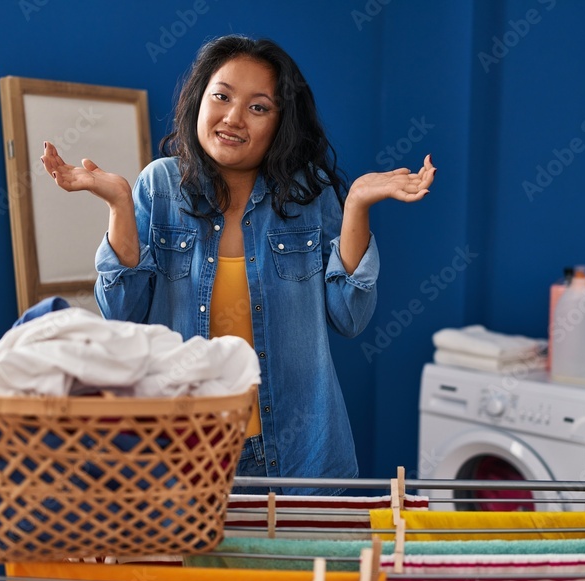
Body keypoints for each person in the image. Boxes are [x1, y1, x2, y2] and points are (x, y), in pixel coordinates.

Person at [40, 35, 435, 495]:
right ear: (199, 100)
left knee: (300, 571)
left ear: (281, 122)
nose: (233, 118)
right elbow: (124, 313)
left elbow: (350, 316)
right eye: (222, 96)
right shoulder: (160, 185)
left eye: (258, 107)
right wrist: (119, 205)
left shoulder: (311, 193)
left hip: (300, 454)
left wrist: (357, 206)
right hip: (182, 455)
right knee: (195, 570)